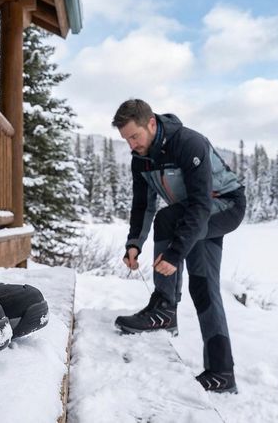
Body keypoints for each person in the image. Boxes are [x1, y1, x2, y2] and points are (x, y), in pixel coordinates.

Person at [112, 99, 245, 394]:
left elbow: (200, 204)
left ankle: (164, 307)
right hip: (192, 215)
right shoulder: (141, 159)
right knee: (204, 286)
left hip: (225, 206)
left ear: (151, 123)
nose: (132, 145)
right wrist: (134, 244)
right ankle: (222, 374)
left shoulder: (189, 143)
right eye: (126, 140)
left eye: (135, 137)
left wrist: (174, 253)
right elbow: (142, 205)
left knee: (169, 217)